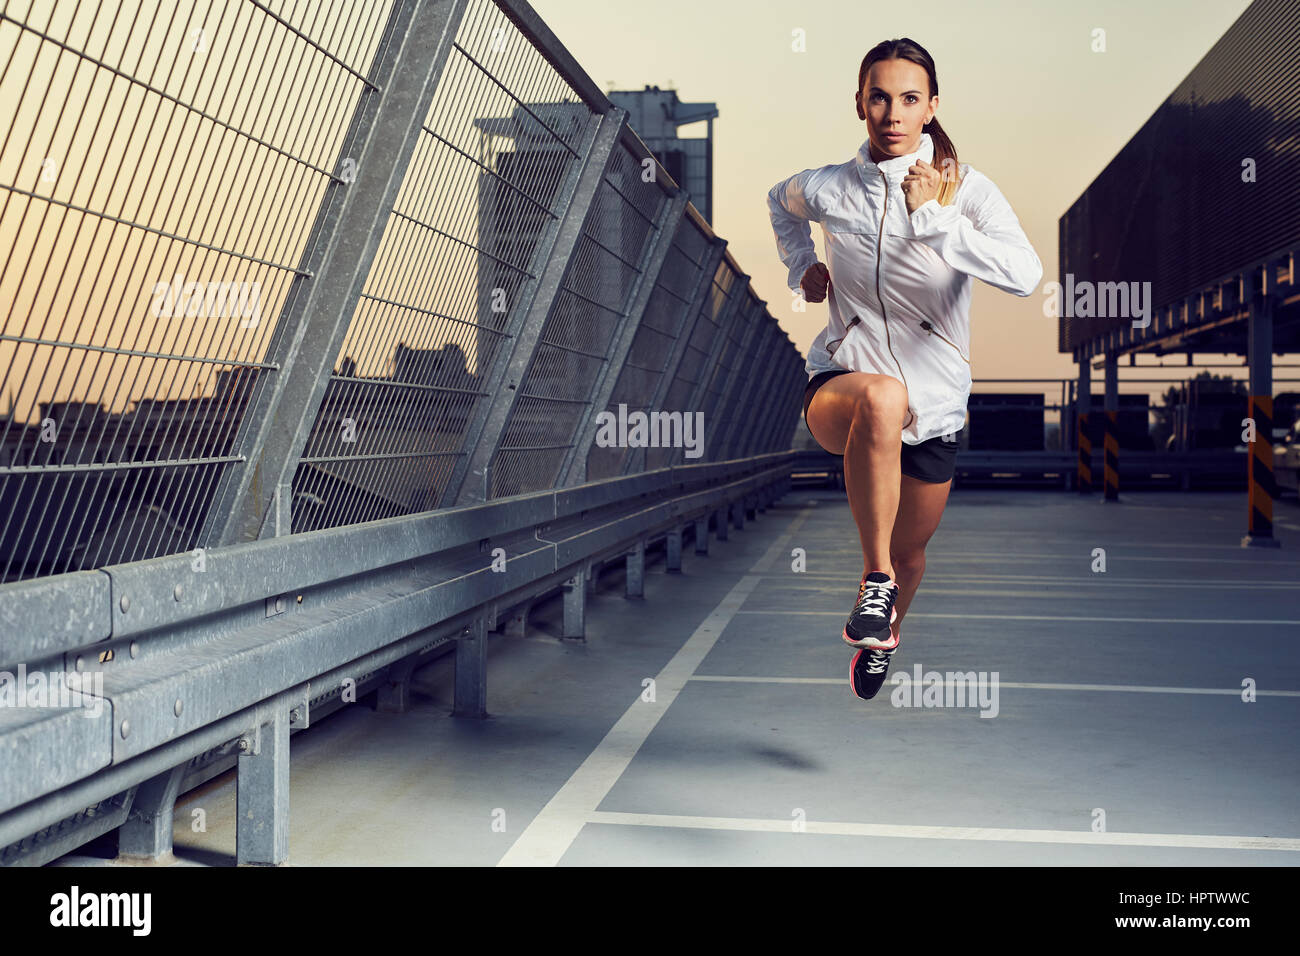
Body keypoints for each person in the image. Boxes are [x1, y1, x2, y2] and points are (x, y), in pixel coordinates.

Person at [766, 38, 1043, 700]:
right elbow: (779, 200)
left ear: (931, 107)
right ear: (861, 103)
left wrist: (936, 219)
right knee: (883, 398)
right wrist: (800, 267)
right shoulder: (831, 186)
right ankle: (874, 581)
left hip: (936, 408)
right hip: (843, 383)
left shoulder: (965, 190)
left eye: (909, 99)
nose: (893, 113)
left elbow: (1026, 276)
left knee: (913, 554)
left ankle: (884, 628)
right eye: (880, 97)